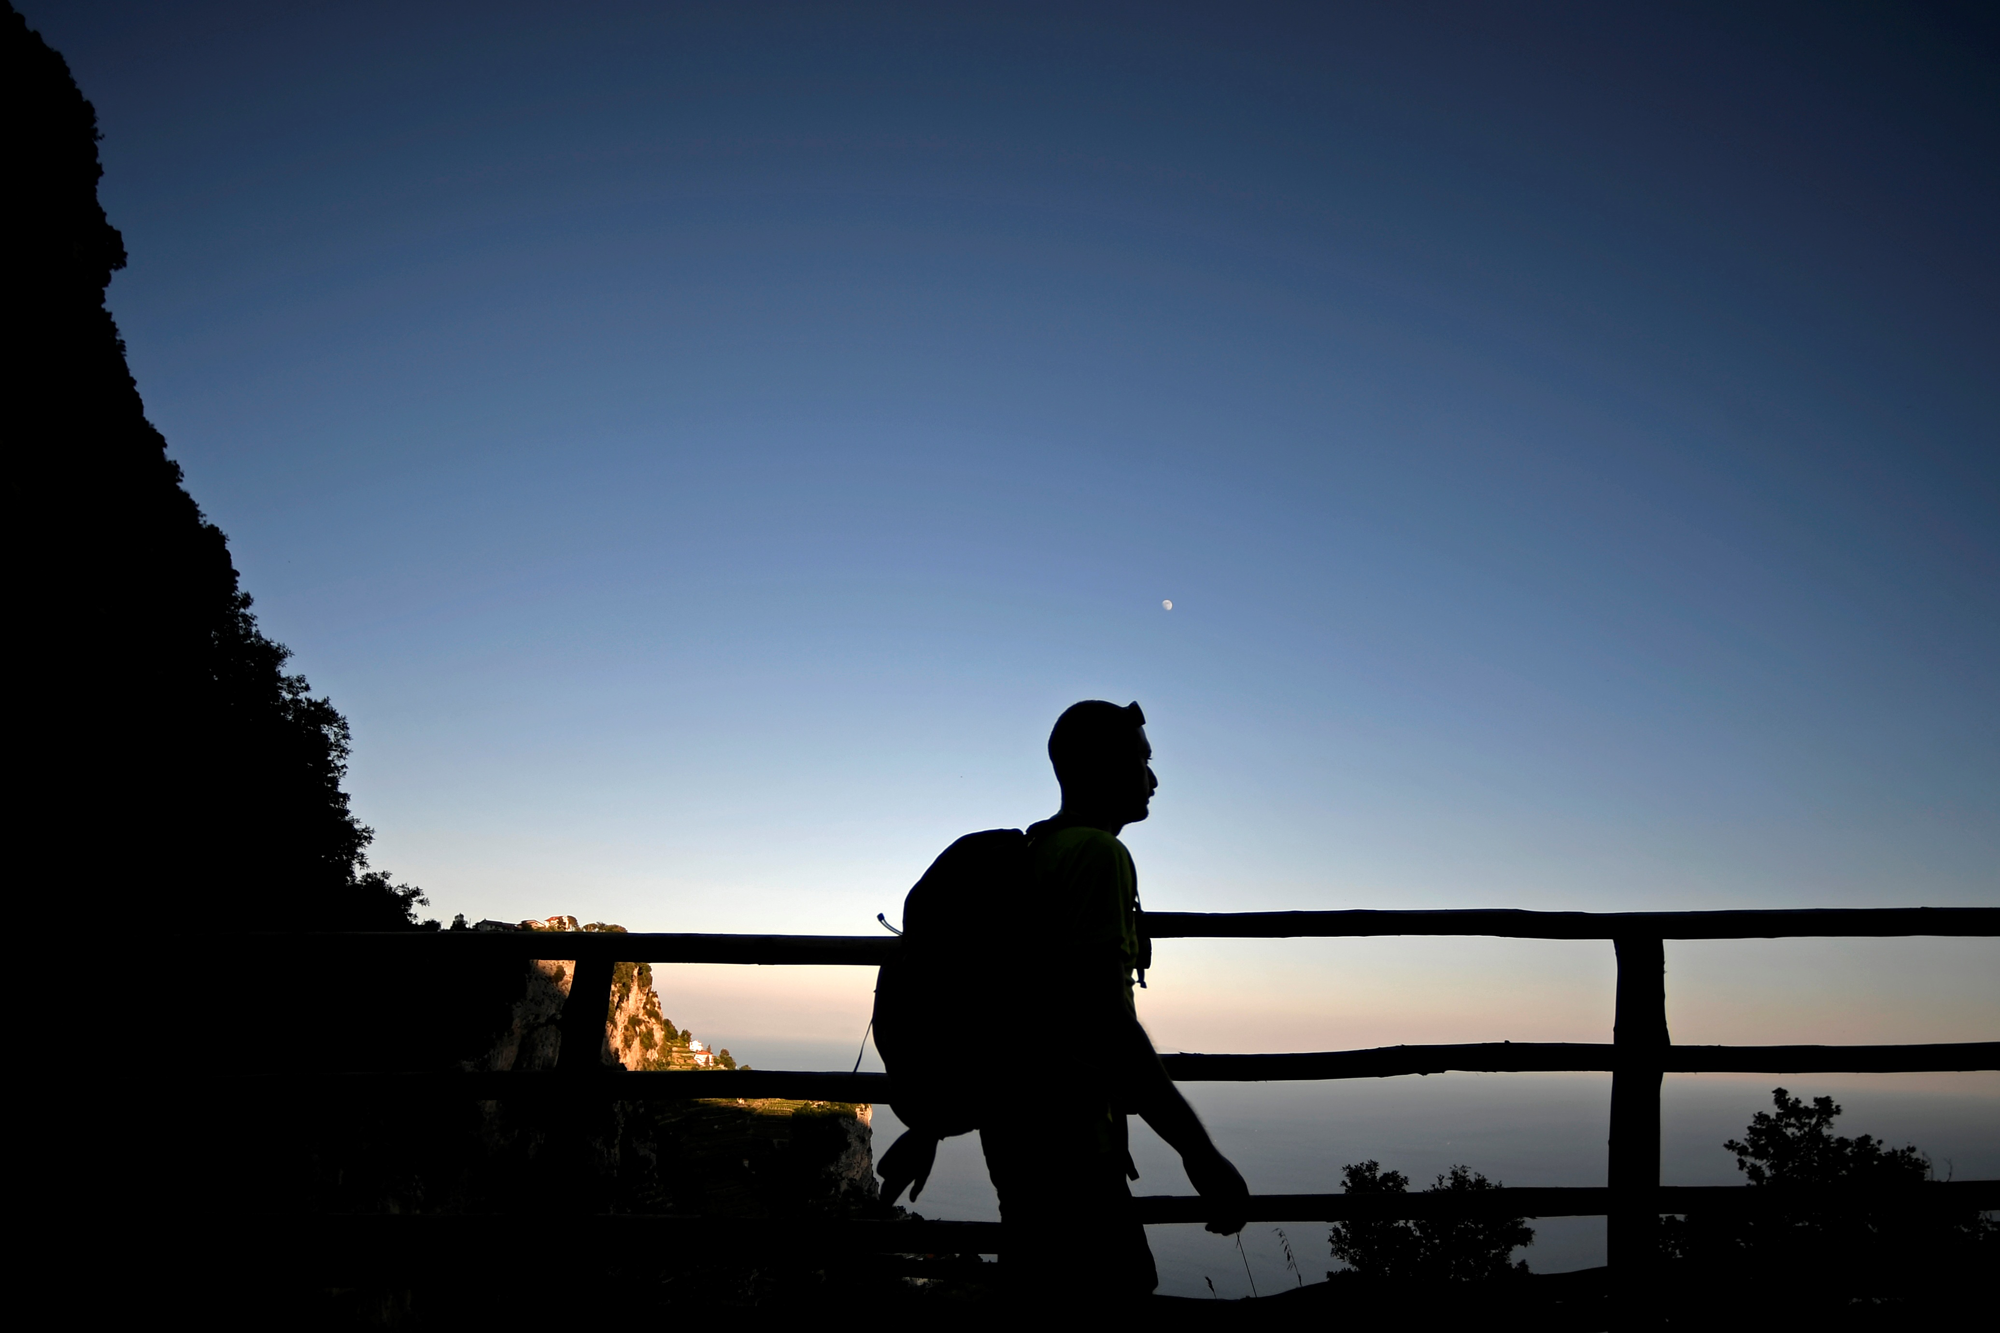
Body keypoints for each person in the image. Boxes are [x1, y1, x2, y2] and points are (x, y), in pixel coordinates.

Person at [980, 699, 1249, 1306]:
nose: (1153, 778)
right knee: (1116, 1293)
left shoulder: (1035, 853)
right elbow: (1110, 1024)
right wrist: (1200, 1154)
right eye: (1141, 760)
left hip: (1014, 1131)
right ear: (1101, 766)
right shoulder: (1099, 856)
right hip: (1070, 1142)